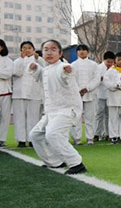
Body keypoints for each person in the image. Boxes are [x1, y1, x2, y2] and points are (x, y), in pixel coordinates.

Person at [29, 40, 87, 174]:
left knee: (53, 134)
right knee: (35, 135)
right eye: (46, 49)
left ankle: (76, 163)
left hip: (67, 110)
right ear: (42, 52)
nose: (49, 52)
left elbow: (68, 73)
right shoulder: (46, 69)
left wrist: (68, 70)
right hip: (51, 112)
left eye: (53, 49)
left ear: (60, 53)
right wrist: (35, 69)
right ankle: (54, 162)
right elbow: (42, 78)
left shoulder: (62, 67)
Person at [11, 41, 44, 148]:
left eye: (29, 48)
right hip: (19, 93)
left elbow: (45, 68)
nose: (27, 50)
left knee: (33, 118)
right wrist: (21, 60)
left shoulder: (39, 60)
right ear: (21, 50)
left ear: (33, 50)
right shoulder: (16, 61)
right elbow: (17, 72)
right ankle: (21, 139)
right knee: (19, 117)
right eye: (24, 48)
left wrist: (37, 59)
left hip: (34, 94)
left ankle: (31, 139)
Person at [69, 44, 103, 145]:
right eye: (79, 50)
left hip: (90, 94)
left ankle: (90, 138)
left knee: (90, 117)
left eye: (84, 50)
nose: (82, 52)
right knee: (76, 117)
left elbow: (97, 79)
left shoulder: (94, 65)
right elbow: (71, 80)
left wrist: (87, 88)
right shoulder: (73, 65)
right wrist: (78, 90)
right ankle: (77, 138)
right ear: (77, 52)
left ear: (87, 52)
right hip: (76, 95)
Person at [94, 51, 115, 142]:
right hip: (100, 94)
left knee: (109, 115)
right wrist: (100, 79)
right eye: (108, 62)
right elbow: (95, 79)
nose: (110, 64)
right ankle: (97, 133)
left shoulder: (114, 69)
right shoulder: (98, 68)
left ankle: (107, 133)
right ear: (104, 60)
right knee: (99, 114)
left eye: (111, 62)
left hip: (110, 95)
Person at [0, 39, 12, 147]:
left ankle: (2, 139)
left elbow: (8, 74)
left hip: (5, 92)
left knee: (5, 117)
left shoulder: (7, 60)